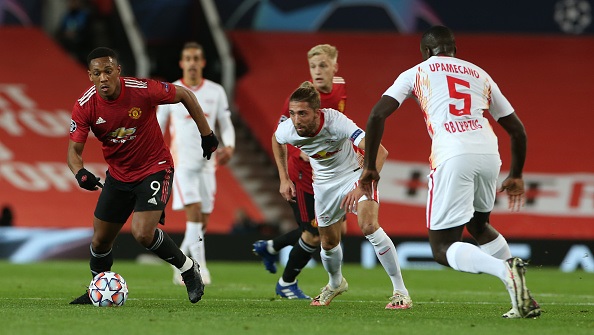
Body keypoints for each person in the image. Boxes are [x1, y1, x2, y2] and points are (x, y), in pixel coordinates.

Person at [355, 25, 540, 318]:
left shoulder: (416, 72)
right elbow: (517, 130)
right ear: (454, 49)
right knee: (479, 226)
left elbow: (378, 113)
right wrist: (516, 174)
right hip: (489, 152)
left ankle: (507, 272)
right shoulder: (480, 74)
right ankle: (524, 297)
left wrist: (368, 167)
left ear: (427, 51)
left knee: (442, 248)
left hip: (453, 154)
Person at [68, 47, 219, 305]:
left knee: (142, 233)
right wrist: (80, 172)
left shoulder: (141, 89)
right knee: (100, 240)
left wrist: (207, 134)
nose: (103, 78)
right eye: (96, 73)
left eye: (107, 71)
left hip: (154, 167)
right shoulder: (85, 106)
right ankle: (98, 287)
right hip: (118, 175)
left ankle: (188, 269)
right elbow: (73, 151)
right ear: (90, 76)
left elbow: (185, 94)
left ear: (118, 71)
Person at [272, 81, 412, 309]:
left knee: (369, 226)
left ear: (317, 113)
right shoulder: (288, 129)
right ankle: (335, 283)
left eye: (303, 114)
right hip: (324, 186)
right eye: (292, 113)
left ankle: (400, 291)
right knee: (327, 242)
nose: (296, 119)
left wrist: (361, 184)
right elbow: (276, 141)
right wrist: (284, 178)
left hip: (353, 176)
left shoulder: (336, 122)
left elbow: (381, 152)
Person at [253, 44, 347, 299]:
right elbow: (280, 136)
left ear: (334, 67)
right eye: (313, 66)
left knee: (336, 230)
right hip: (304, 176)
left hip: (330, 173)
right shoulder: (301, 99)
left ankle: (271, 247)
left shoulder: (340, 87)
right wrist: (285, 177)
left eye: (323, 66)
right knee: (315, 234)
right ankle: (286, 283)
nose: (317, 71)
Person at [157, 42, 235, 286]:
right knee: (194, 214)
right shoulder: (171, 91)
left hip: (207, 167)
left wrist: (230, 145)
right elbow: (158, 127)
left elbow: (225, 121)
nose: (192, 62)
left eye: (196, 58)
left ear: (202, 63)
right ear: (182, 63)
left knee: (202, 221)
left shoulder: (216, 91)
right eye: (187, 58)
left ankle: (176, 260)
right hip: (182, 166)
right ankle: (201, 269)